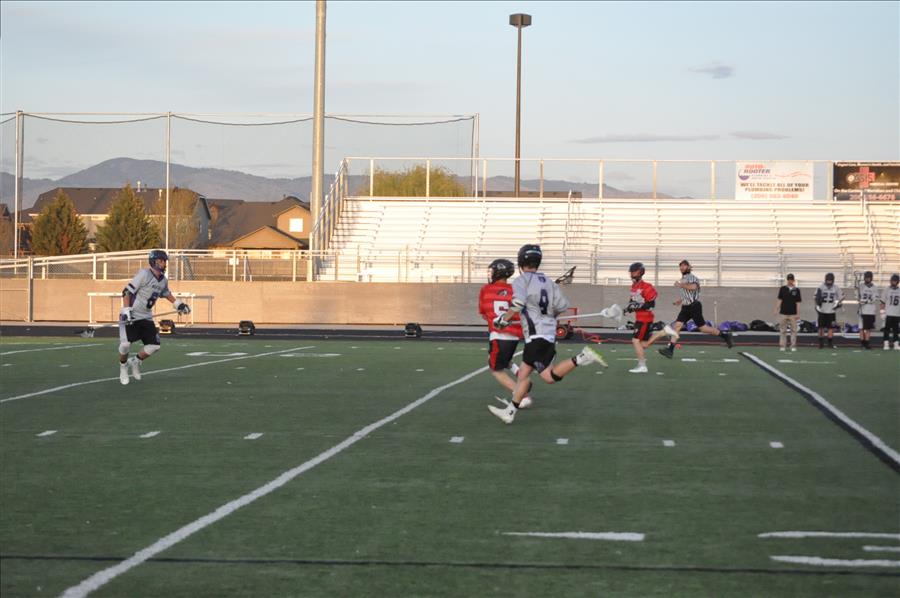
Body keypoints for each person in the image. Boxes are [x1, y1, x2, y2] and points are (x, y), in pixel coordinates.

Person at [488, 244, 607, 424]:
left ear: (521, 261)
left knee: (525, 376)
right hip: (549, 335)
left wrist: (504, 319)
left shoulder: (521, 281)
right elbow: (562, 306)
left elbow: (518, 303)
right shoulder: (549, 282)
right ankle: (581, 358)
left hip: (535, 336)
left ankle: (510, 413)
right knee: (547, 377)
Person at [118, 249, 191, 385]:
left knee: (154, 346)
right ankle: (123, 366)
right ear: (154, 262)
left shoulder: (163, 280)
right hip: (132, 314)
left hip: (146, 316)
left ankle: (135, 361)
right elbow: (127, 292)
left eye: (164, 261)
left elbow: (166, 293)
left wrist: (179, 305)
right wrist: (127, 310)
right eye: (161, 261)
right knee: (125, 345)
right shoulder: (144, 274)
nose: (164, 263)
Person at [478, 258, 533, 407]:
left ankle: (521, 395)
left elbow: (484, 314)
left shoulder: (486, 290)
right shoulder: (516, 290)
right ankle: (521, 378)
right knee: (504, 360)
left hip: (498, 335)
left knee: (496, 369)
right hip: (514, 336)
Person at [657, 260, 733, 359]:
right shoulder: (683, 278)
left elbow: (694, 287)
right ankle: (670, 350)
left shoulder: (692, 277)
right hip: (685, 307)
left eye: (684, 266)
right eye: (680, 266)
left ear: (689, 267)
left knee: (703, 328)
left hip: (694, 306)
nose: (682, 267)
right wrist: (680, 301)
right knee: (677, 326)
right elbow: (687, 293)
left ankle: (725, 336)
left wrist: (680, 285)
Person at [622, 262, 664, 373]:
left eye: (634, 272)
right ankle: (662, 333)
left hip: (645, 318)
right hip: (639, 317)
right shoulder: (633, 287)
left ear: (641, 272)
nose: (632, 274)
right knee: (642, 344)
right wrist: (628, 309)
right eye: (631, 272)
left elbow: (651, 305)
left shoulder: (647, 286)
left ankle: (642, 366)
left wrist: (637, 306)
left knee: (635, 340)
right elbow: (632, 302)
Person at [815, 272, 843, 349]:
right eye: (828, 280)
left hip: (831, 311)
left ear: (833, 280)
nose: (829, 282)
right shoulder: (821, 287)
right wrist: (818, 303)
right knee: (821, 327)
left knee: (831, 328)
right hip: (822, 310)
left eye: (830, 280)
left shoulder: (836, 287)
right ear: (825, 280)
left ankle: (830, 343)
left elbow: (842, 296)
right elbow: (816, 297)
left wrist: (838, 303)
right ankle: (821, 343)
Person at [775, 273, 802, 352]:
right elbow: (780, 300)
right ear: (787, 280)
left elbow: (798, 303)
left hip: (793, 313)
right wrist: (776, 309)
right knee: (783, 330)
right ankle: (782, 345)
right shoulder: (782, 289)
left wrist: (798, 313)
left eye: (791, 279)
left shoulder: (797, 290)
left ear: (793, 280)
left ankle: (793, 346)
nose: (790, 281)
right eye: (789, 279)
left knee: (794, 330)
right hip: (783, 312)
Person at [857, 271, 879, 350]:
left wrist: (866, 301)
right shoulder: (860, 286)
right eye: (866, 277)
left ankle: (867, 343)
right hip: (862, 310)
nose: (867, 279)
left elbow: (874, 298)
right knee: (861, 328)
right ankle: (862, 343)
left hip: (870, 311)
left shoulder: (874, 288)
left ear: (871, 278)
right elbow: (857, 297)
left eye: (868, 278)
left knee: (868, 328)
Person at [880, 273, 900, 350]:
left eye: (895, 281)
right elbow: (882, 302)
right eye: (893, 280)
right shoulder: (886, 289)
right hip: (888, 313)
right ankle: (886, 343)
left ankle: (896, 344)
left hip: (897, 313)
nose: (894, 282)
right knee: (886, 329)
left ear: (898, 281)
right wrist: (882, 312)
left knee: (896, 330)